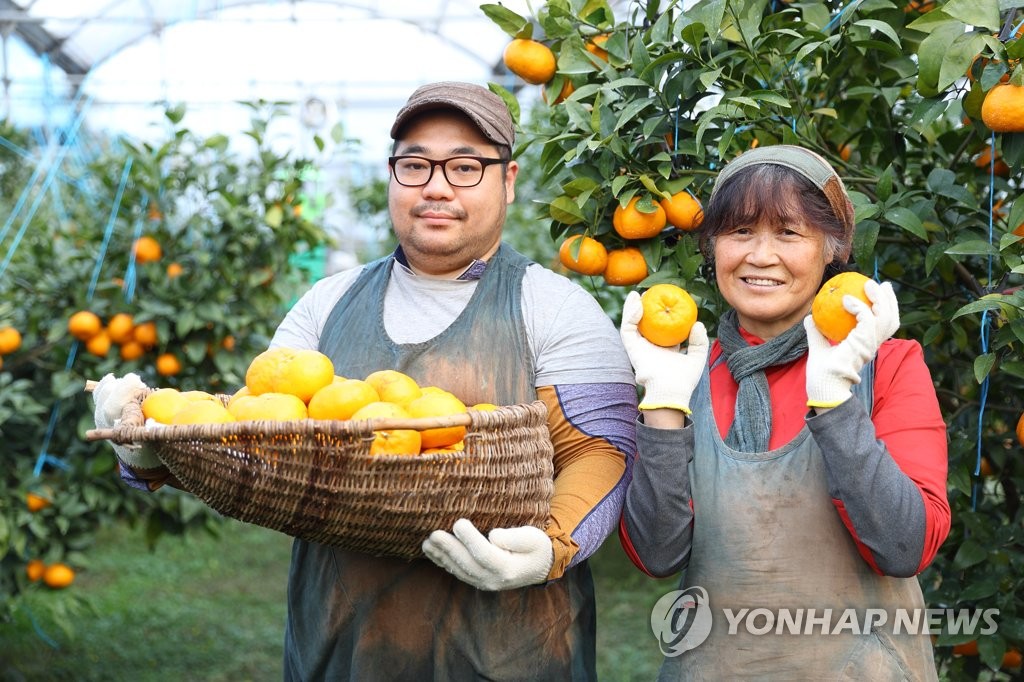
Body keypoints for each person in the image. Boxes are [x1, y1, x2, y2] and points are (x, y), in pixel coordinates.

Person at [92, 81, 638, 680]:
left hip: (511, 652)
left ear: (506, 181)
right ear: (391, 176)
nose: (435, 186)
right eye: (415, 165)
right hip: (340, 645)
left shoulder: (555, 306)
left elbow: (601, 448)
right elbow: (250, 441)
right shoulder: (327, 303)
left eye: (464, 166)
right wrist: (147, 450)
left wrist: (550, 548)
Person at [618, 145, 950, 679]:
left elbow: (904, 545)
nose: (760, 255)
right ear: (713, 246)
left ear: (833, 248)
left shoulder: (888, 365)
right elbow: (657, 554)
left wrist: (837, 402)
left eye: (789, 233)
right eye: (741, 232)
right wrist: (660, 406)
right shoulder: (684, 372)